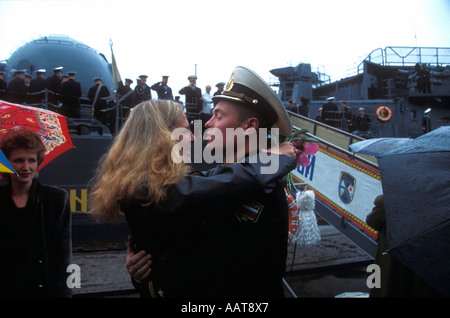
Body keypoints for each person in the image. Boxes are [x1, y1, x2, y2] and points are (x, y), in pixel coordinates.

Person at [122, 66, 296, 297]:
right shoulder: (214, 179)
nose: (207, 123)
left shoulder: (259, 190)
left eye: (219, 115)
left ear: (250, 126)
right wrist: (144, 270)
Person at [0, 128, 72, 297]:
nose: (26, 167)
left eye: (31, 160)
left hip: (41, 290)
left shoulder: (57, 200)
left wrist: (66, 294)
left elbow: (63, 258)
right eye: (18, 160)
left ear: (38, 162)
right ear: (7, 163)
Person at [366, 195, 438, 297]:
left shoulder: (387, 201)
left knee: (389, 285)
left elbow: (372, 221)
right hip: (421, 262)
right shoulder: (437, 201)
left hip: (392, 259)